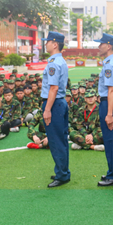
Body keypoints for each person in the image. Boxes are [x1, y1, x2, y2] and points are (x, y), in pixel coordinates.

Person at [94, 33, 113, 186]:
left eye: (101, 44)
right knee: (110, 139)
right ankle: (112, 171)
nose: (99, 47)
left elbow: (111, 90)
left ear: (109, 46)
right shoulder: (109, 63)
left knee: (112, 140)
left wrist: (110, 113)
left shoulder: (110, 64)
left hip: (110, 105)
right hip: (108, 103)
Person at [41, 32, 71, 188]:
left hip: (54, 104)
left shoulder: (53, 63)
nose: (45, 44)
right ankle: (63, 171)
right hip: (60, 103)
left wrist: (47, 109)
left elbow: (53, 88)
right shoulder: (60, 61)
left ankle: (62, 175)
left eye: (47, 42)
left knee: (56, 141)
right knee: (62, 140)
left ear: (55, 44)